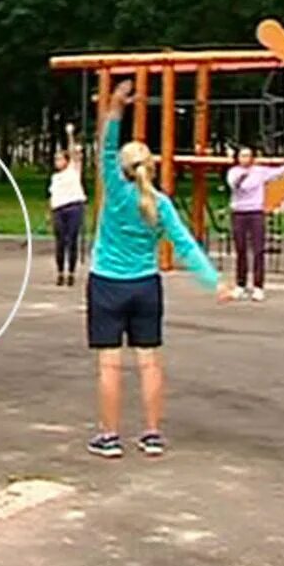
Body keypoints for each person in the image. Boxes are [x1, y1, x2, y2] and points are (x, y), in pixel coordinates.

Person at [88, 81, 233, 458]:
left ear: (120, 168)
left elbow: (106, 143)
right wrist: (214, 281)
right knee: (149, 361)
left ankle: (109, 437)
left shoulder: (116, 192)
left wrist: (117, 106)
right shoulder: (161, 205)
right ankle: (151, 434)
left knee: (109, 364)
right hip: (145, 286)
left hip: (106, 283)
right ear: (151, 166)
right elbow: (185, 244)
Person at [225, 146, 284, 301]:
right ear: (238, 158)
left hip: (256, 213)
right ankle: (240, 285)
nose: (245, 159)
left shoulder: (260, 171)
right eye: (242, 156)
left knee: (258, 250)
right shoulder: (233, 172)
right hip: (239, 213)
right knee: (241, 250)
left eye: (248, 155)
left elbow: (281, 171)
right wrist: (245, 175)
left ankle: (258, 287)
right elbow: (237, 186)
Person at [48, 122, 87, 287]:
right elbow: (52, 196)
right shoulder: (55, 178)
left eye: (59, 158)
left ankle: (71, 272)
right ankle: (60, 272)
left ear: (66, 160)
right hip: (59, 209)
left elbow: (73, 153)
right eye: (55, 159)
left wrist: (70, 134)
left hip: (74, 207)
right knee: (60, 242)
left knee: (72, 240)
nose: (57, 162)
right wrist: (50, 212)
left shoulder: (73, 170)